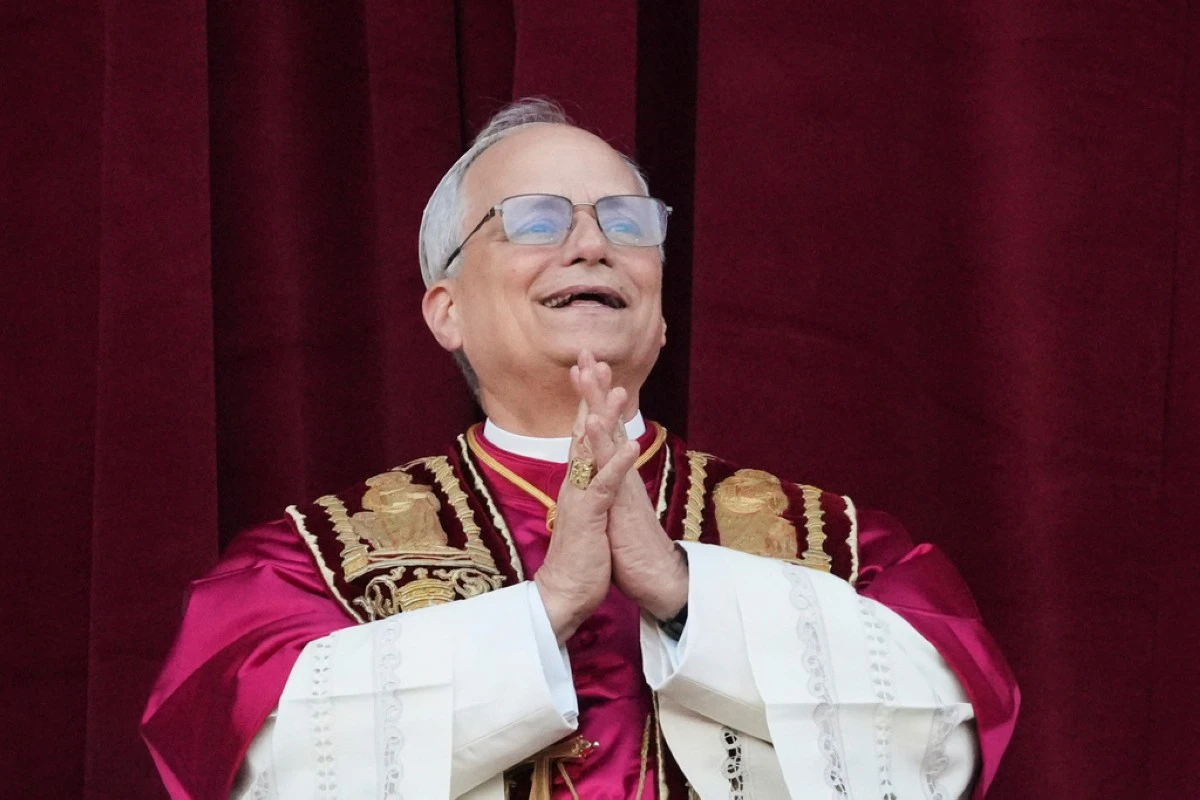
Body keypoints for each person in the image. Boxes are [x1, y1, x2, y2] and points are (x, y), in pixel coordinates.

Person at [142, 99, 1019, 799]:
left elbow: (949, 733)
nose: (594, 243)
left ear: (663, 310)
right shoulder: (303, 565)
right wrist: (546, 609)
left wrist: (684, 592)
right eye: (534, 220)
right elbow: (259, 764)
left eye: (629, 221)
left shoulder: (846, 544)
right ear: (446, 309)